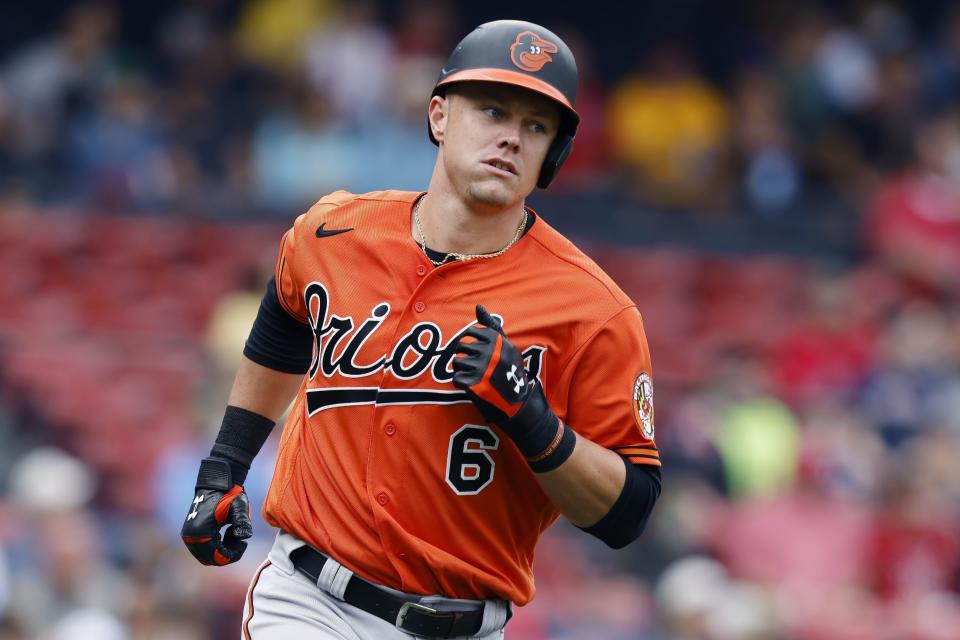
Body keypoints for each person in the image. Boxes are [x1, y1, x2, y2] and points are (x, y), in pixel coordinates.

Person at [180, 19, 662, 639]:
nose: (511, 139)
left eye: (535, 126)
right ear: (438, 117)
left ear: (554, 155)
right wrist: (224, 467)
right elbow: (284, 317)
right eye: (492, 110)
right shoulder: (333, 233)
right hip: (308, 599)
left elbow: (628, 513)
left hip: (462, 622)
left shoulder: (595, 311)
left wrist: (536, 423)